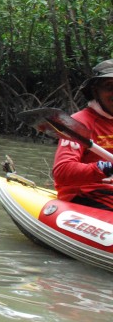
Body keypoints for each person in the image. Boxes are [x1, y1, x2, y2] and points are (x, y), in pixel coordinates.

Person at [52, 59, 113, 211]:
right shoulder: (79, 123)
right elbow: (62, 171)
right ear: (94, 91)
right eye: (110, 87)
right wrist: (105, 167)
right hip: (87, 196)